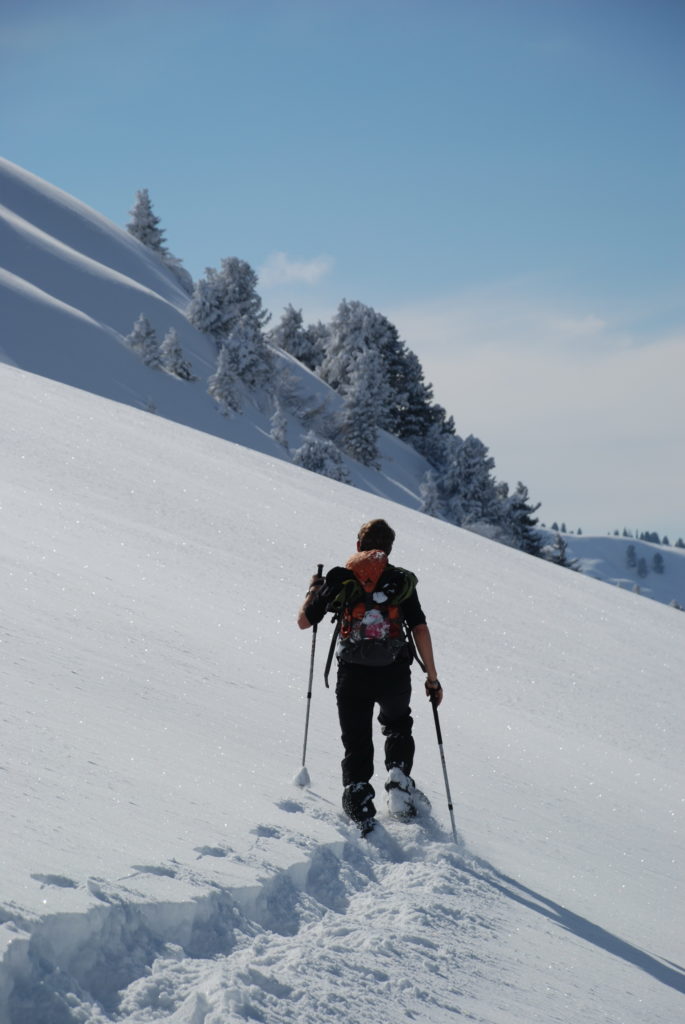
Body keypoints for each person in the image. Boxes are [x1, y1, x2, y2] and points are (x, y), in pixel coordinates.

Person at [297, 518, 443, 830]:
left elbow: (304, 622)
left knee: (357, 740)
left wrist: (314, 591)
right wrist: (432, 677)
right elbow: (419, 627)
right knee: (397, 726)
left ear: (358, 546)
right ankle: (399, 781)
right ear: (389, 550)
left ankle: (359, 799)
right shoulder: (399, 581)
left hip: (352, 675)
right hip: (394, 672)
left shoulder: (341, 578)